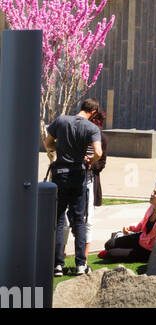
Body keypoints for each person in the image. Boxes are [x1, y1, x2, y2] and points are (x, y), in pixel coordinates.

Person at [44, 98, 103, 276]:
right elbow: (98, 152)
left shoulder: (61, 120)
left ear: (81, 107)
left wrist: (60, 148)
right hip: (78, 175)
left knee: (59, 219)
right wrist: (90, 161)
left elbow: (48, 143)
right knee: (79, 220)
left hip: (59, 175)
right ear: (93, 112)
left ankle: (57, 265)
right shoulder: (91, 128)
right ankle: (80, 265)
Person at [98, 186, 156, 264]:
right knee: (109, 244)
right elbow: (142, 223)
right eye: (153, 191)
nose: (151, 194)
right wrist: (130, 228)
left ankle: (114, 252)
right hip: (141, 238)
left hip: (148, 250)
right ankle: (123, 245)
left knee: (111, 253)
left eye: (155, 193)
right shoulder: (152, 207)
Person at [84, 104, 108, 258]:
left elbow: (102, 162)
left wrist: (90, 164)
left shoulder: (101, 138)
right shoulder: (80, 133)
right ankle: (60, 256)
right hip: (74, 178)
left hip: (90, 181)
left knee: (88, 220)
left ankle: (83, 258)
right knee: (65, 220)